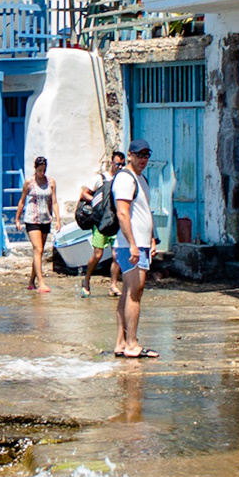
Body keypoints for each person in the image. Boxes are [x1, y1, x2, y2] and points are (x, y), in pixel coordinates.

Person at [112, 139, 158, 359]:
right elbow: (122, 213)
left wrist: (152, 239)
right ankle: (132, 343)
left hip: (141, 243)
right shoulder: (125, 179)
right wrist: (132, 244)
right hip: (130, 245)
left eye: (147, 155)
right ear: (129, 155)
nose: (143, 160)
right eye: (139, 155)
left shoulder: (141, 179)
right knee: (134, 293)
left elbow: (144, 211)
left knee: (131, 292)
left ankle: (121, 342)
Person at [77, 151, 126, 299]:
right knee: (97, 254)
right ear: (112, 163)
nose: (120, 167)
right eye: (118, 164)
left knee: (116, 255)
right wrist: (98, 203)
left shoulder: (123, 179)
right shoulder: (101, 178)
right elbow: (83, 194)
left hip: (115, 221)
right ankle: (86, 280)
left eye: (123, 165)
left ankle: (113, 285)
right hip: (100, 222)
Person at [16, 156, 58, 292]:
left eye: (44, 170)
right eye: (40, 170)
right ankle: (41, 283)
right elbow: (22, 201)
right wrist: (17, 219)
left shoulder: (51, 182)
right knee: (38, 249)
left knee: (39, 252)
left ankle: (31, 282)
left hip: (45, 219)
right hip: (32, 219)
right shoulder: (29, 183)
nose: (42, 173)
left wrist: (58, 219)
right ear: (35, 168)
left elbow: (54, 201)